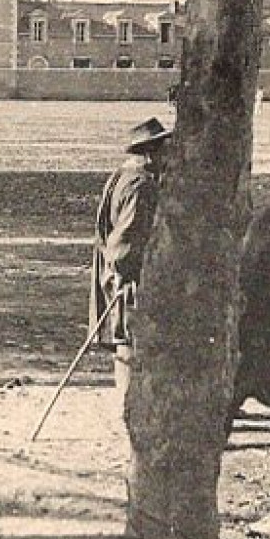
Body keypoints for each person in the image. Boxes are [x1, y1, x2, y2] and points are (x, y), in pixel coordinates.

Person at [91, 117, 171, 379]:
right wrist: (127, 276)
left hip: (115, 273)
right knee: (127, 343)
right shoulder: (142, 186)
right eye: (163, 149)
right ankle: (128, 410)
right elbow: (126, 239)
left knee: (125, 339)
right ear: (149, 153)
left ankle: (127, 409)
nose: (168, 155)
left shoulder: (122, 176)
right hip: (128, 278)